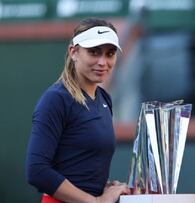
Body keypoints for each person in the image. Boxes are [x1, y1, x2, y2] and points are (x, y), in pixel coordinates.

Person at [26, 18, 130, 203]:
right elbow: (37, 171)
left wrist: (105, 187)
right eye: (94, 52)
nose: (102, 62)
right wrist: (96, 201)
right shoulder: (56, 99)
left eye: (110, 53)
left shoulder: (104, 99)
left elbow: (79, 166)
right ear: (74, 52)